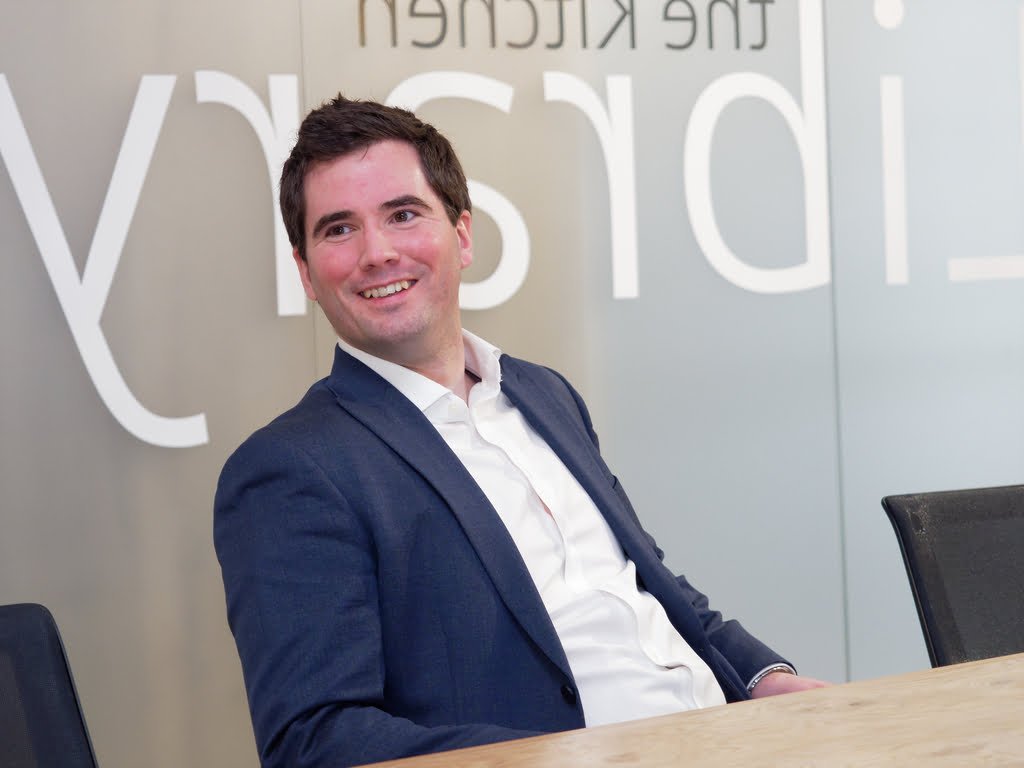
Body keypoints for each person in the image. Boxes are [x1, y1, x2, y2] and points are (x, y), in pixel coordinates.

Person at [214, 95, 828, 768]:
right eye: (338, 230)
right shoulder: (292, 469)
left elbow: (650, 591)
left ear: (464, 234)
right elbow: (317, 743)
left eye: (403, 214)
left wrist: (769, 679)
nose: (377, 252)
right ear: (305, 271)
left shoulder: (544, 394)